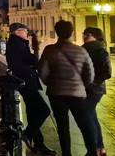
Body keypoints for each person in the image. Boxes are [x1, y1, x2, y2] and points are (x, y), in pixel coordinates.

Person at [38, 20, 97, 156]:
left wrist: (52, 84)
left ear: (57, 33)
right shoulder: (81, 51)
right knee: (84, 124)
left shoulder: (49, 50)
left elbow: (42, 72)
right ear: (71, 32)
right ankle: (92, 151)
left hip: (56, 93)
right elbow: (90, 75)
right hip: (77, 93)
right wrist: (81, 85)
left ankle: (66, 153)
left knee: (62, 127)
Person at [6, 23, 55, 155]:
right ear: (17, 32)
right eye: (24, 30)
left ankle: (39, 145)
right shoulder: (18, 45)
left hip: (25, 81)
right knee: (44, 110)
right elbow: (32, 61)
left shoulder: (18, 43)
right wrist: (37, 48)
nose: (27, 31)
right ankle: (27, 135)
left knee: (33, 113)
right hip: (26, 82)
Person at [82, 27, 112, 156]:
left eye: (86, 34)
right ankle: (100, 148)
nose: (84, 36)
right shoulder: (84, 49)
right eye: (84, 34)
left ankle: (94, 149)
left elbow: (107, 72)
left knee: (87, 116)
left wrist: (92, 82)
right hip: (86, 89)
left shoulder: (100, 50)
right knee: (91, 117)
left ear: (94, 36)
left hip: (95, 89)